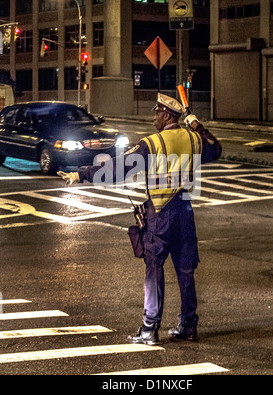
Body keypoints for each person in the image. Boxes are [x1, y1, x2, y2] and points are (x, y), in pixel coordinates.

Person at [58, 93, 222, 345]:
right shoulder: (193, 138)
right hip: (185, 213)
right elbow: (216, 148)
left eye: (157, 112)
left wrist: (82, 175)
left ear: (167, 115)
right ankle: (189, 326)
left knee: (154, 270)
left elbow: (117, 168)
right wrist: (196, 124)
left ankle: (149, 329)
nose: (154, 116)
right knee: (186, 271)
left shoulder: (152, 143)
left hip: (160, 214)